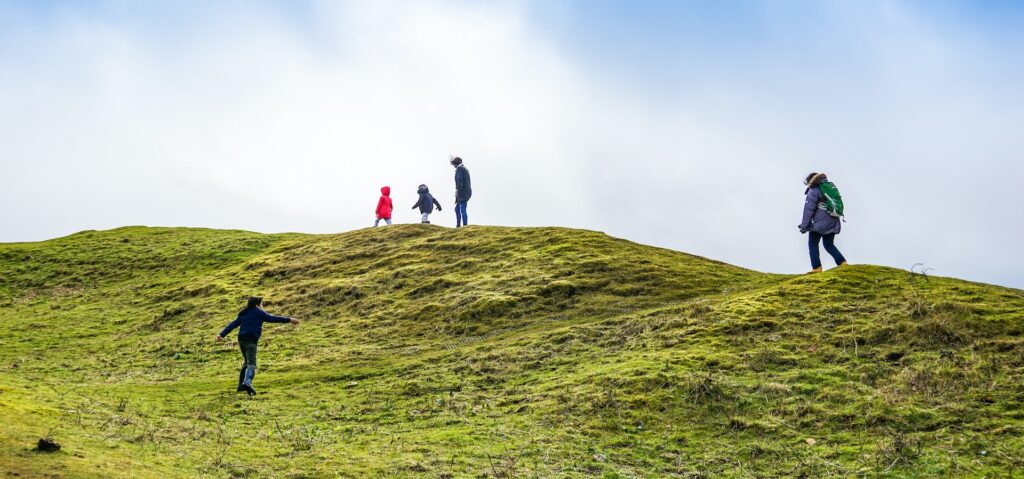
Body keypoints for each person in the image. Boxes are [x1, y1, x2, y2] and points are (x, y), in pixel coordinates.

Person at [216, 297, 299, 396]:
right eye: (262, 304)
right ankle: (247, 382)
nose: (262, 306)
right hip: (251, 339)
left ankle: (240, 386)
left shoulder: (243, 313)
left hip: (241, 339)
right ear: (257, 305)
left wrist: (221, 335)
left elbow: (233, 324)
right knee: (252, 363)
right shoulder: (259, 312)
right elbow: (272, 318)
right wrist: (289, 319)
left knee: (246, 362)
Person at [799, 172, 848, 273]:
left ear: (811, 181)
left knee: (813, 244)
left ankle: (817, 267)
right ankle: (843, 263)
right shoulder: (828, 188)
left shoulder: (814, 190)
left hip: (818, 224)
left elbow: (809, 209)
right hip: (833, 221)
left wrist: (804, 226)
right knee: (829, 245)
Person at [451, 156, 472, 227]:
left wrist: (458, 190)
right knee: (458, 209)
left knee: (461, 209)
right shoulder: (465, 169)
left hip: (462, 193)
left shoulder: (459, 169)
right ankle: (460, 225)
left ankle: (462, 225)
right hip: (466, 192)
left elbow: (459, 180)